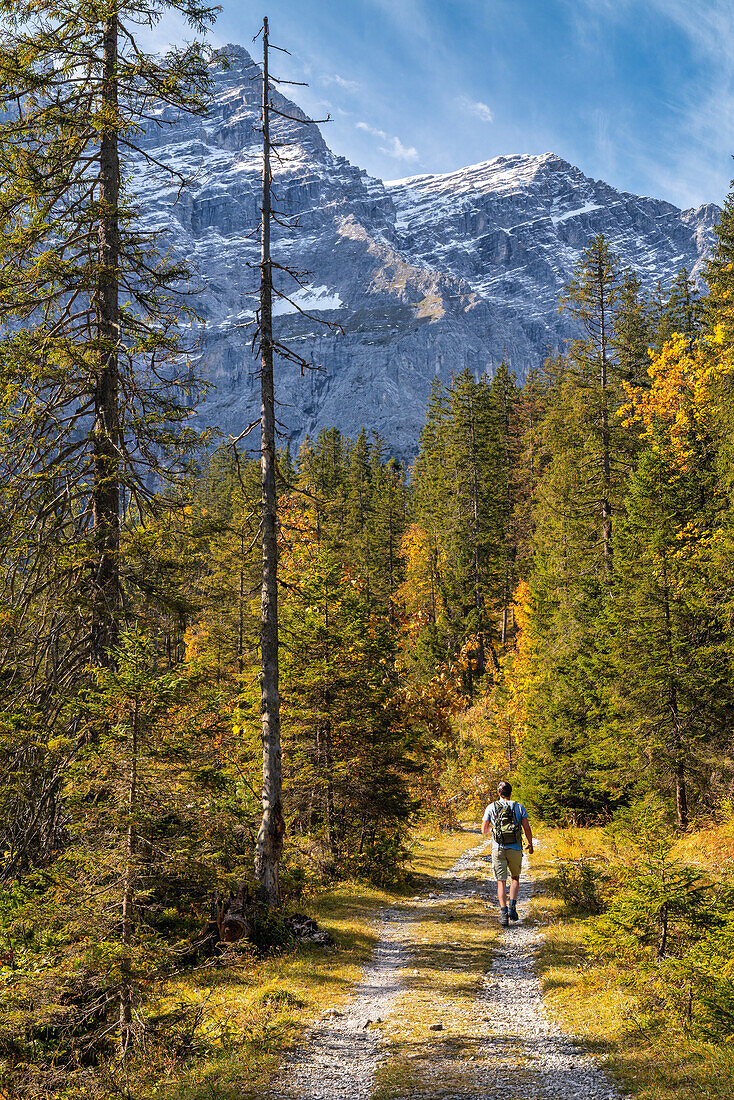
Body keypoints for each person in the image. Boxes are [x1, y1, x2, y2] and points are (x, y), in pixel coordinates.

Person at [481, 780, 533, 927]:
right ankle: (512, 908)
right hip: (515, 848)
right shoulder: (518, 807)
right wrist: (530, 843)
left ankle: (503, 913)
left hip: (498, 848)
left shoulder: (491, 807)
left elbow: (483, 829)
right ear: (510, 792)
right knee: (515, 878)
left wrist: (494, 830)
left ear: (499, 793)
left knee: (501, 881)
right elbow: (527, 828)